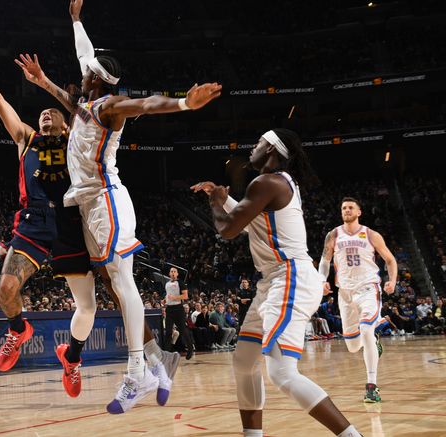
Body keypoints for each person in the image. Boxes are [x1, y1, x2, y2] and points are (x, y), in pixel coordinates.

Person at [21, 0, 221, 413]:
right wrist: (74, 21)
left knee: (122, 281)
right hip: (88, 205)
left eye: (86, 69)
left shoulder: (110, 104)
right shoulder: (87, 100)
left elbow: (146, 104)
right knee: (115, 286)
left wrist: (185, 102)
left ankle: (137, 373)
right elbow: (82, 60)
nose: (81, 68)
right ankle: (157, 362)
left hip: (108, 200)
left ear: (95, 76)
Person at [0, 34, 97, 399]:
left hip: (70, 224)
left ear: (64, 126)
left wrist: (47, 83)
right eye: (42, 114)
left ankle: (73, 358)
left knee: (92, 301)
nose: (45, 115)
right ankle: (18, 329)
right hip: (32, 222)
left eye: (52, 114)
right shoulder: (26, 139)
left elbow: (85, 113)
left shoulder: (74, 143)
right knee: (6, 290)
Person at [192, 128, 361, 437]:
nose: (252, 148)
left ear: (271, 149)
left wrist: (217, 203)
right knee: (244, 361)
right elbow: (252, 225)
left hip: (290, 278)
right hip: (275, 282)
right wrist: (224, 197)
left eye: (258, 143)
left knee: (282, 373)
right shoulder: (277, 184)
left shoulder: (266, 182)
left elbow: (228, 230)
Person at [318, 197, 398, 403]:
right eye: (343, 207)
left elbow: (390, 259)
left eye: (350, 207)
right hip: (344, 293)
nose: (346, 210)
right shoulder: (333, 234)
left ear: (359, 212)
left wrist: (392, 281)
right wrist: (321, 281)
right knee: (353, 346)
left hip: (368, 288)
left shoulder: (371, 234)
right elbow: (325, 260)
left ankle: (372, 386)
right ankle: (373, 336)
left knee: (365, 329)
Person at [163, 267, 193, 359]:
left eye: (174, 271)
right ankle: (167, 353)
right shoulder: (167, 284)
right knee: (168, 331)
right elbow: (168, 295)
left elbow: (185, 296)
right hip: (169, 309)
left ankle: (190, 348)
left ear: (177, 274)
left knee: (183, 330)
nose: (172, 273)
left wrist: (174, 298)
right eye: (171, 271)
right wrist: (165, 300)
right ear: (169, 273)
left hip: (178, 309)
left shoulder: (181, 283)